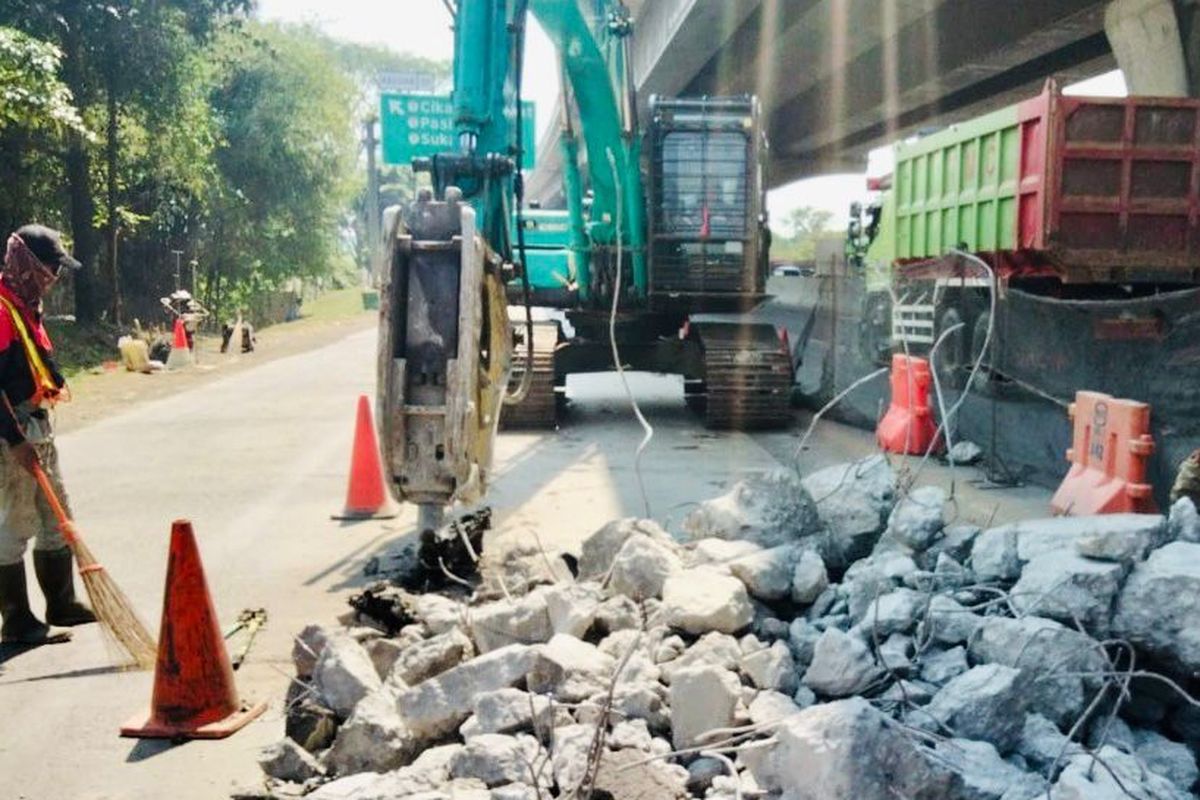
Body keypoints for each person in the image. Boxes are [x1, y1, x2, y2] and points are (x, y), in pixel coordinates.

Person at [0, 224, 95, 646]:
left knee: (57, 516)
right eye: (51, 268)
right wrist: (14, 440)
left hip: (36, 424)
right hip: (11, 434)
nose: (54, 278)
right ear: (29, 266)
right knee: (14, 522)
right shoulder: (1, 312)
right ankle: (18, 619)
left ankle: (62, 602)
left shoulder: (25, 305)